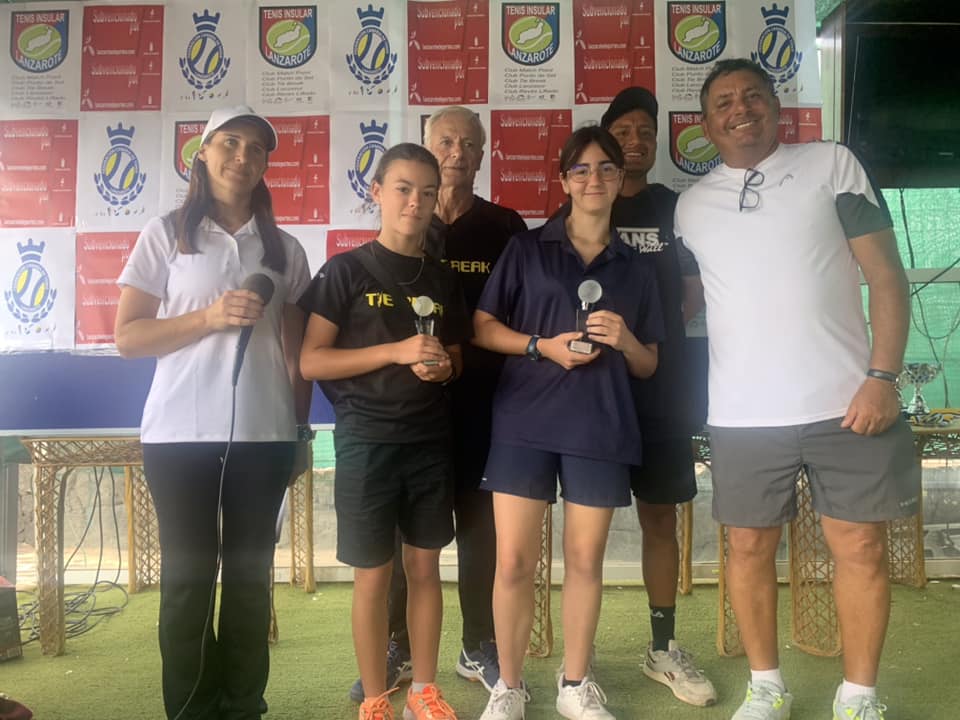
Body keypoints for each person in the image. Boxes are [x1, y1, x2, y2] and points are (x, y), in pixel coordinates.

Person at [675, 58, 919, 720]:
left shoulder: (832, 164)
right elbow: (683, 306)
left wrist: (882, 377)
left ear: (776, 105)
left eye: (752, 96)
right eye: (724, 103)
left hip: (849, 404)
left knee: (860, 548)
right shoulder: (690, 208)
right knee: (749, 549)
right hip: (743, 415)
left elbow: (887, 278)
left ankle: (859, 696)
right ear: (706, 124)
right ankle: (766, 688)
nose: (740, 110)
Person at [114, 106, 312, 720]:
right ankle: (192, 710)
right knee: (187, 584)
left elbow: (298, 354)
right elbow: (128, 336)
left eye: (256, 148)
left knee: (250, 584)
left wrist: (299, 432)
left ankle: (245, 705)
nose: (242, 157)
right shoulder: (165, 234)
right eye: (229, 143)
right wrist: (207, 317)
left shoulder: (286, 250)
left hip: (264, 438)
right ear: (202, 152)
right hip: (178, 439)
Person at [474, 126, 664, 720]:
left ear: (620, 179)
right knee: (513, 562)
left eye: (606, 169)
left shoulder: (636, 266)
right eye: (581, 170)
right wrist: (542, 346)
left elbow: (649, 363)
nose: (594, 180)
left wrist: (625, 339)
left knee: (585, 562)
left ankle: (575, 683)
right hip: (524, 421)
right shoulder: (527, 248)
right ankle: (508, 686)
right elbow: (483, 329)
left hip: (599, 426)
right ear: (564, 181)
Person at [346, 107, 528, 703]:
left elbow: (526, 307)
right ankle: (396, 644)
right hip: (407, 413)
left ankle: (478, 643)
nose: (457, 151)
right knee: (406, 539)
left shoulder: (505, 226)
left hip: (484, 402)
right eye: (446, 140)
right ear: (426, 148)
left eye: (469, 143)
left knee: (479, 528)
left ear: (482, 155)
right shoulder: (398, 231)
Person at [298, 143, 471, 720]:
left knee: (424, 569)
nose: (415, 202)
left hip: (429, 443)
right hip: (367, 443)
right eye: (403, 189)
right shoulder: (344, 271)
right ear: (376, 192)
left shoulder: (442, 277)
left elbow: (455, 357)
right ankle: (375, 699)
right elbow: (312, 361)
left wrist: (444, 368)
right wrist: (396, 351)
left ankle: (424, 690)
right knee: (373, 576)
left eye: (427, 192)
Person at [600, 87, 717, 707]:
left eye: (646, 131)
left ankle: (663, 647)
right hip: (594, 390)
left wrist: (656, 331)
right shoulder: (587, 203)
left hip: (663, 388)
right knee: (587, 522)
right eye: (623, 130)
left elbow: (694, 289)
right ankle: (579, 659)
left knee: (659, 518)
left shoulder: (678, 208)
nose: (636, 140)